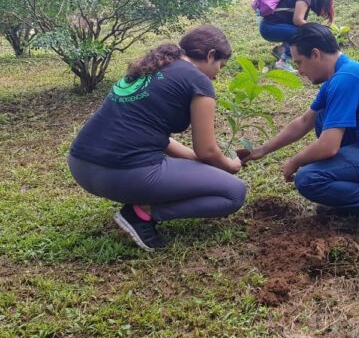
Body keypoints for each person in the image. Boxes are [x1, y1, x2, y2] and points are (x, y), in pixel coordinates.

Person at [243, 23, 359, 246]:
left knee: (309, 179)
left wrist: (294, 161)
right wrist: (262, 150)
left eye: (300, 63)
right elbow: (304, 121)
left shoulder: (346, 78)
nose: (300, 71)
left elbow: (328, 147)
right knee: (322, 116)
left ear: (316, 54)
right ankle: (347, 195)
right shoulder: (340, 74)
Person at [68, 25, 247, 251]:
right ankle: (142, 213)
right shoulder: (198, 81)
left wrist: (194, 161)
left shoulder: (153, 67)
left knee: (203, 174)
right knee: (234, 193)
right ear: (211, 55)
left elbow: (152, 134)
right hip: (125, 173)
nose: (217, 73)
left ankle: (139, 205)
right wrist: (229, 165)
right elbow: (207, 151)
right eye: (220, 65)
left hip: (81, 166)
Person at [258, 0, 335, 72]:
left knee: (302, 30)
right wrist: (317, 28)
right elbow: (297, 20)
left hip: (270, 27)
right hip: (269, 28)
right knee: (303, 32)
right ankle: (282, 62)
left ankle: (281, 50)